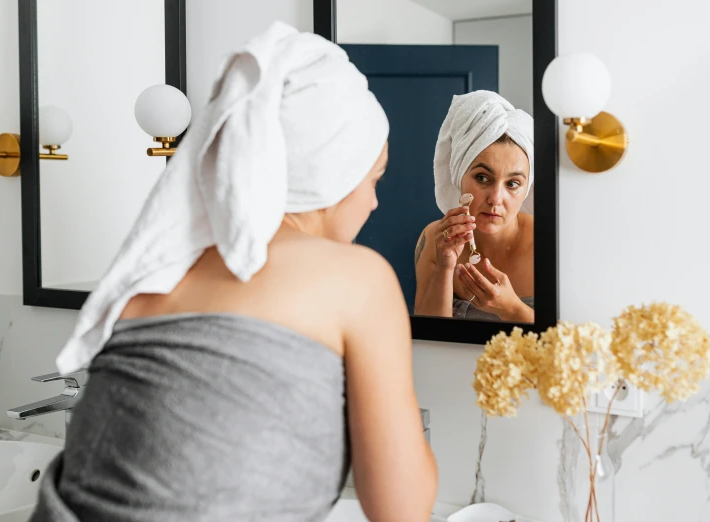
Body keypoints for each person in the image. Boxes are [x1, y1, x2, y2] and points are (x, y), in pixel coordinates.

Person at [30, 22, 437, 522]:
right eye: (373, 179)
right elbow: (403, 508)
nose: (374, 202)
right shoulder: (360, 279)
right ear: (334, 170)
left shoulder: (155, 274)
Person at [414, 91, 534, 323]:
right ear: (459, 176)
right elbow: (429, 338)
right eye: (482, 178)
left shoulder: (548, 245)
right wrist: (444, 268)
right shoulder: (433, 238)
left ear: (526, 188)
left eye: (512, 184)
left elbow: (573, 347)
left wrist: (512, 309)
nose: (496, 198)